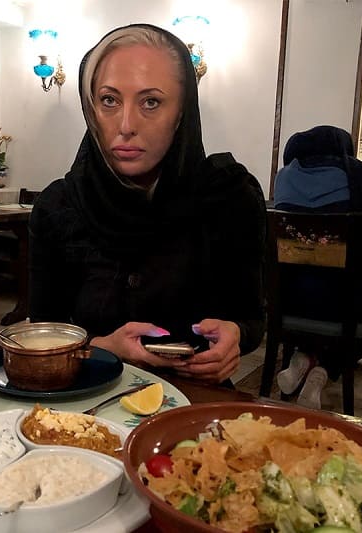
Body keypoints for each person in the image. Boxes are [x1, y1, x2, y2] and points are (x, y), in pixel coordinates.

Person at [28, 24, 266, 385]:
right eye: (109, 100)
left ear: (182, 112)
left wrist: (236, 336)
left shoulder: (229, 197)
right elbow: (44, 332)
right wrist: (98, 348)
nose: (126, 125)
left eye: (151, 102)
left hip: (196, 399)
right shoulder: (58, 207)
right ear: (91, 109)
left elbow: (251, 319)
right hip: (86, 395)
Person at [273, 125, 362, 409]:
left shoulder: (284, 176)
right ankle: (326, 368)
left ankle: (305, 357)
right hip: (344, 303)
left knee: (321, 294)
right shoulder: (356, 172)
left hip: (288, 301)